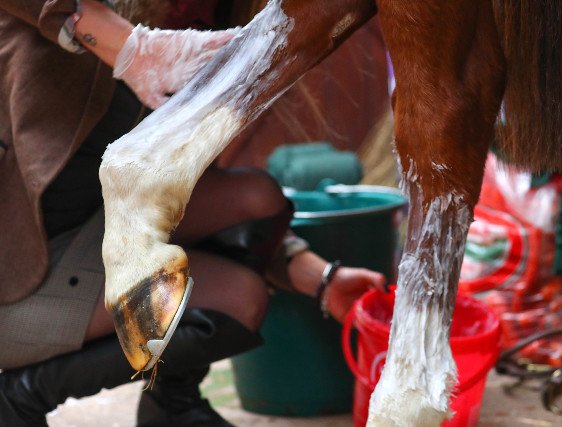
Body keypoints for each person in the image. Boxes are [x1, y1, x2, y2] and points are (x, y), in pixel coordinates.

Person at [0, 1, 388, 426]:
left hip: (95, 237)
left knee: (251, 230)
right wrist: (131, 46)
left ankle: (172, 406)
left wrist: (321, 278)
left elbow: (185, 193)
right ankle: (19, 396)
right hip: (16, 276)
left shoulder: (199, 23)